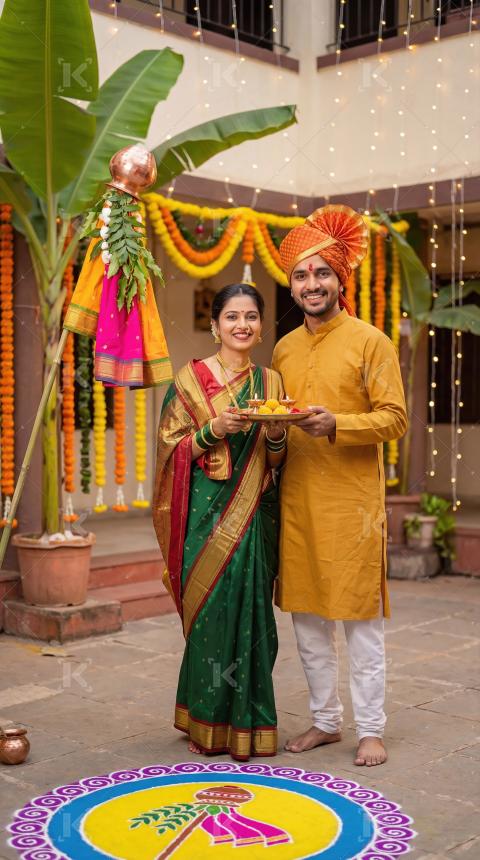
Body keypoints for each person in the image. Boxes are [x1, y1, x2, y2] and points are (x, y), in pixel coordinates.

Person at [272, 204, 408, 767]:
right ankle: (326, 722)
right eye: (301, 275)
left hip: (353, 507)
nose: (311, 284)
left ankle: (370, 727)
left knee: (360, 624)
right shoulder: (282, 348)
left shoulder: (370, 341)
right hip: (298, 501)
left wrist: (339, 424)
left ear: (339, 279)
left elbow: (395, 418)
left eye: (321, 272)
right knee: (307, 624)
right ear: (292, 284)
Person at [153, 283, 286, 761]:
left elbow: (277, 460)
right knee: (211, 615)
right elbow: (170, 452)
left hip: (254, 514)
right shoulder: (188, 382)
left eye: (251, 316)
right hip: (204, 517)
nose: (242, 325)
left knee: (254, 616)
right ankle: (206, 720)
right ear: (215, 325)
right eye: (232, 317)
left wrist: (274, 436)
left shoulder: (271, 384)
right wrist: (214, 429)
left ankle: (249, 724)